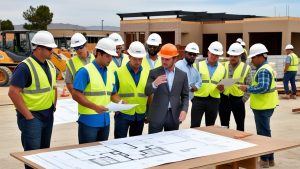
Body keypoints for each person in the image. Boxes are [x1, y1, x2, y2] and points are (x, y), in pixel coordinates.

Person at [8, 31, 57, 169]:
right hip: (32, 117)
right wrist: (29, 116)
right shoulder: (25, 67)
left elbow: (53, 88)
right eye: (49, 48)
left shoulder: (51, 66)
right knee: (33, 155)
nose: (52, 51)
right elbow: (13, 92)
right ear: (38, 48)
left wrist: (53, 107)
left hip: (47, 115)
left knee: (44, 152)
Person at [71, 38, 122, 144]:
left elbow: (113, 94)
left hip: (105, 122)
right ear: (98, 53)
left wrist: (120, 103)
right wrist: (95, 107)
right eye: (107, 56)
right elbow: (76, 95)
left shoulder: (110, 73)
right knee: (86, 154)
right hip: (89, 122)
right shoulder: (85, 71)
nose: (110, 59)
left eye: (111, 56)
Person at [239, 43, 279, 168]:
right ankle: (270, 159)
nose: (252, 60)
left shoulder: (263, 70)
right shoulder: (266, 68)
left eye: (253, 58)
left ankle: (264, 160)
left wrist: (247, 88)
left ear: (260, 56)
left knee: (263, 134)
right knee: (266, 132)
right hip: (266, 105)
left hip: (263, 106)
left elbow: (263, 87)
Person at [145, 43, 189, 134]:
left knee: (172, 144)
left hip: (173, 116)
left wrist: (184, 110)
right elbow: (147, 91)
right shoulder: (154, 73)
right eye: (162, 58)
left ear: (175, 59)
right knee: (153, 144)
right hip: (156, 116)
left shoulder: (182, 75)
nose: (164, 61)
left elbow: (185, 96)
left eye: (167, 59)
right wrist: (154, 84)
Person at [114, 41, 148, 138]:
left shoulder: (147, 73)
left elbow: (149, 95)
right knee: (119, 143)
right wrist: (118, 105)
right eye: (135, 59)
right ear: (129, 56)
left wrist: (148, 112)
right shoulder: (119, 73)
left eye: (140, 59)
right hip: (122, 114)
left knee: (136, 144)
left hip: (140, 114)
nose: (138, 62)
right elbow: (113, 93)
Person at [191, 41, 225, 127]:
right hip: (198, 99)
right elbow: (191, 82)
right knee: (194, 125)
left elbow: (223, 85)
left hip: (214, 100)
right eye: (212, 54)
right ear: (208, 52)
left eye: (216, 55)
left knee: (210, 126)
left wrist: (222, 89)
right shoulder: (197, 65)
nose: (214, 57)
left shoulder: (223, 68)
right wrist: (192, 98)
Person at [219, 43, 251, 131]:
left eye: (235, 56)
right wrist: (219, 91)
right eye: (231, 56)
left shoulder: (246, 68)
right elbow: (217, 81)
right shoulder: (222, 65)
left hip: (238, 100)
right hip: (224, 99)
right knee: (224, 126)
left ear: (240, 55)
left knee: (240, 126)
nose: (232, 58)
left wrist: (243, 100)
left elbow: (249, 86)